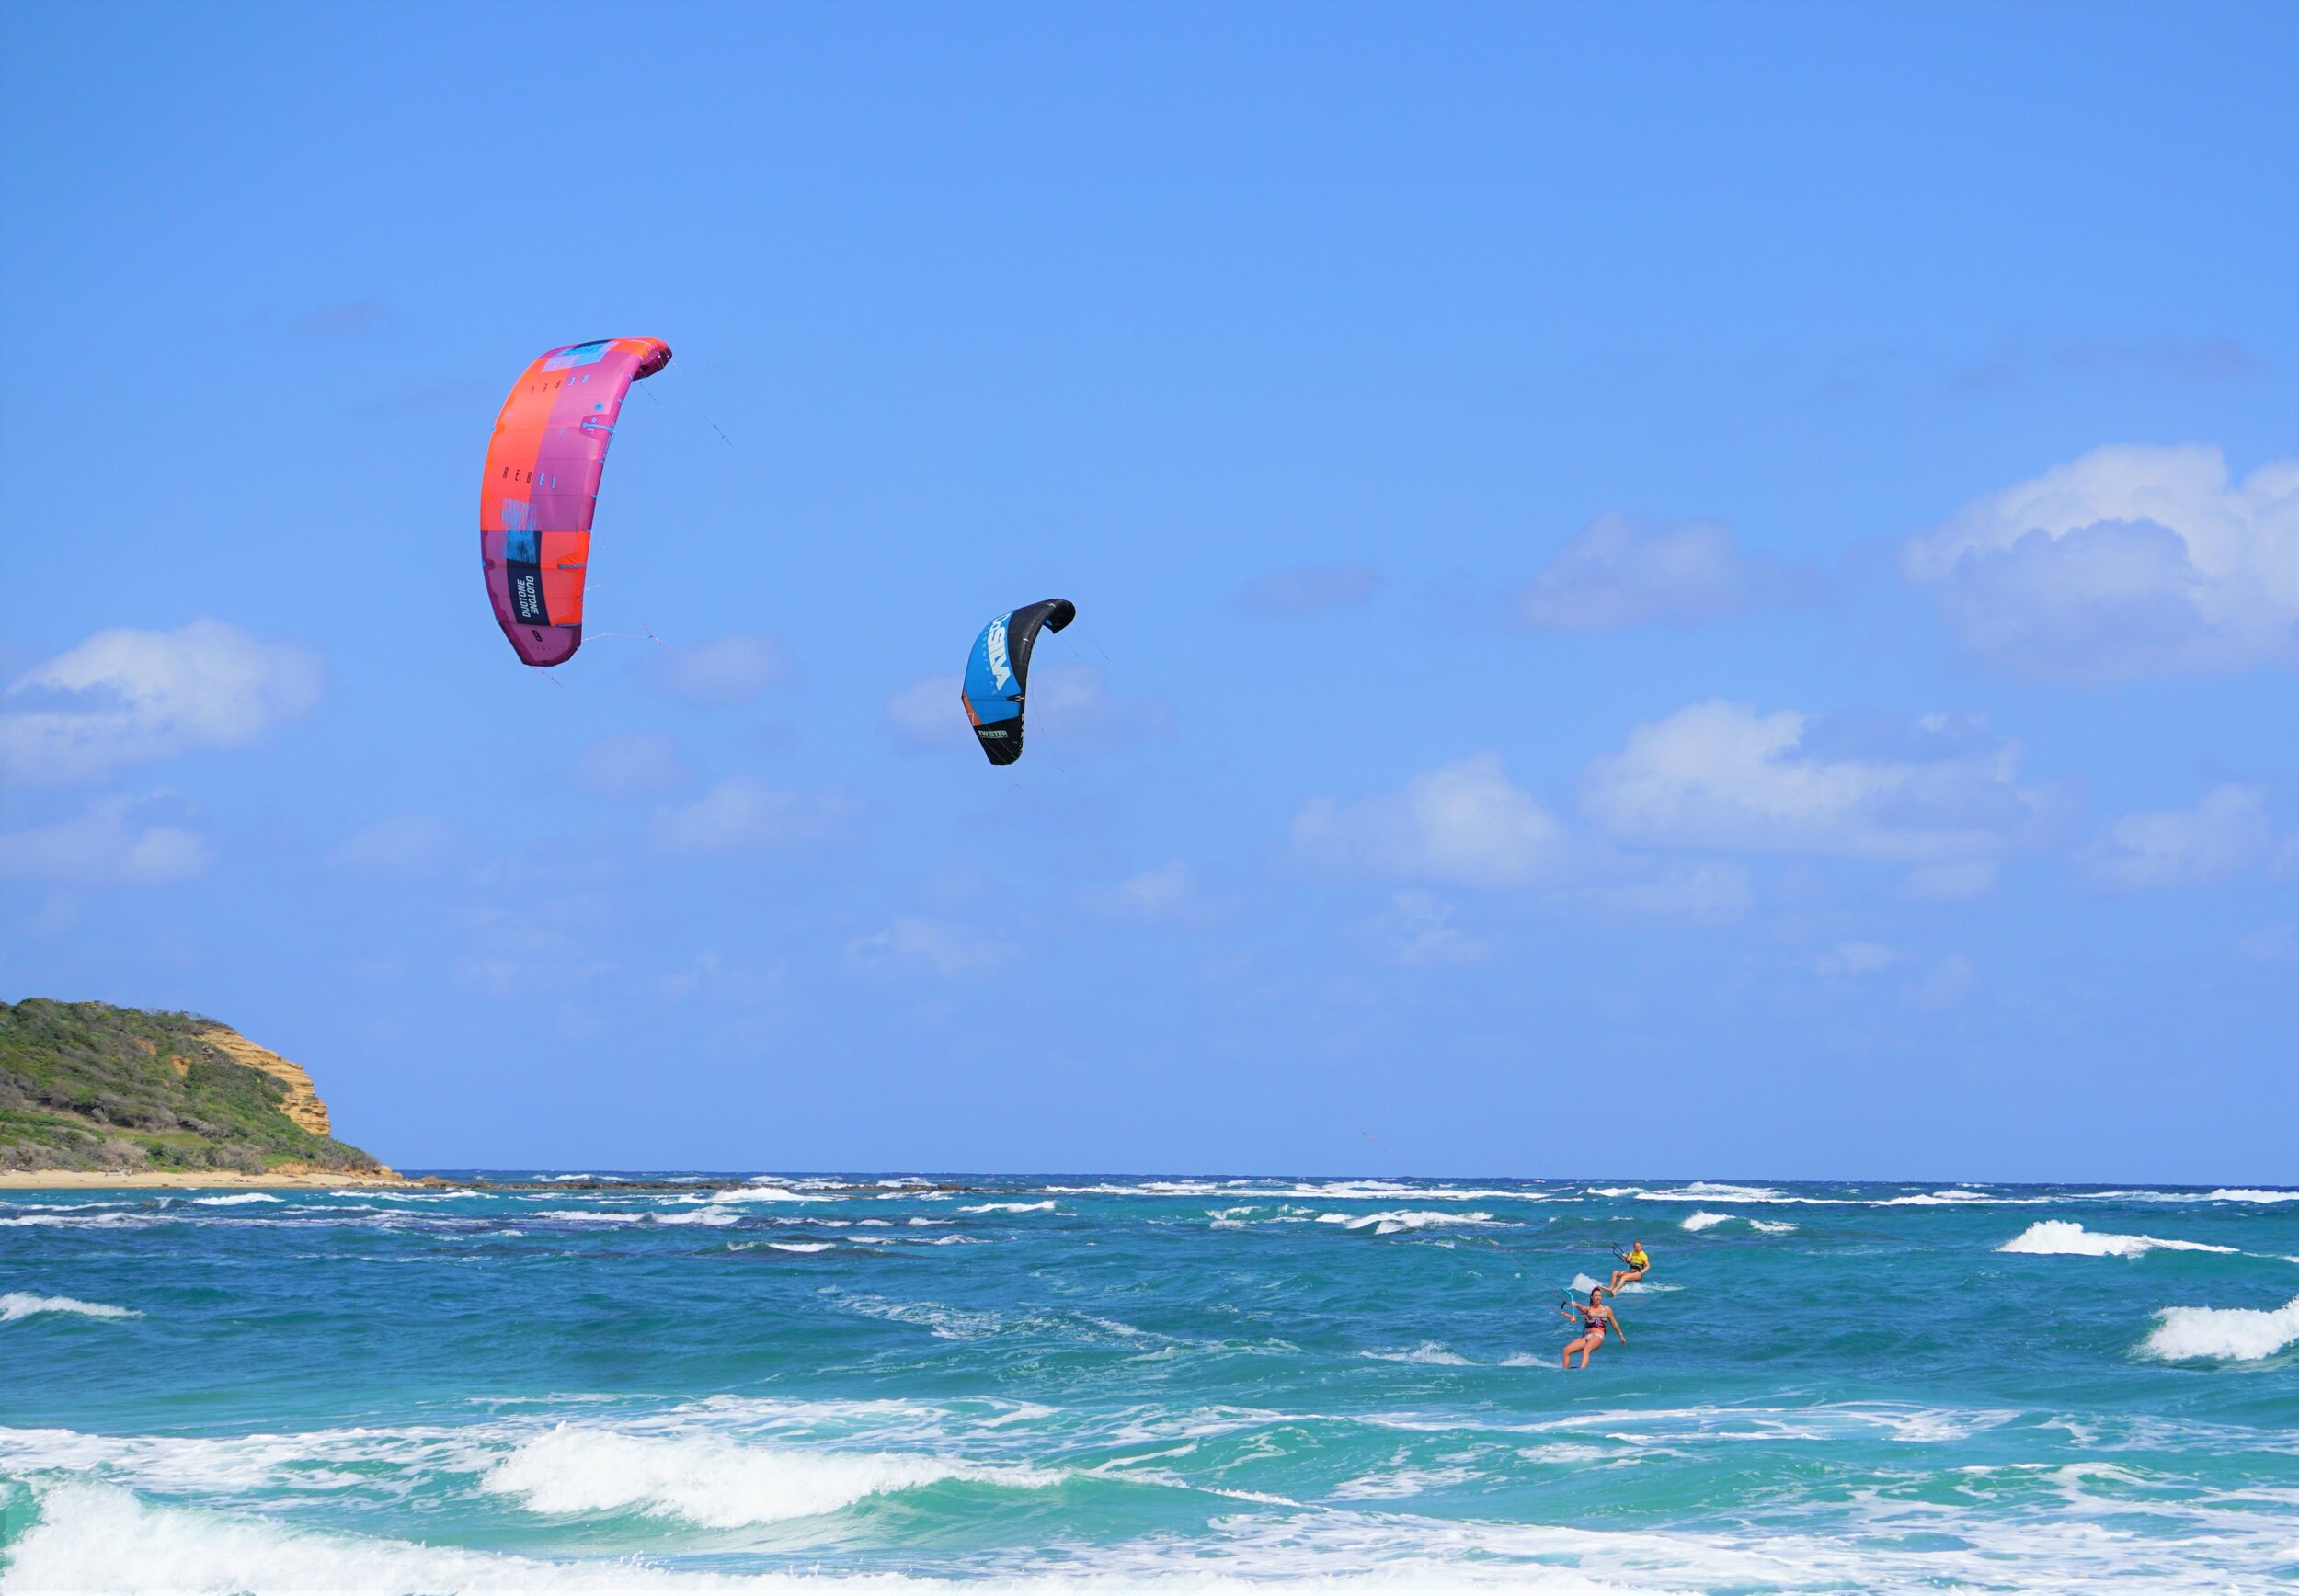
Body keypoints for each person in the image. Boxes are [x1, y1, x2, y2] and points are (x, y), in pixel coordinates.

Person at [1558, 1284, 1626, 1369]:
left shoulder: (1606, 1309)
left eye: (1600, 1296)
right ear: (1592, 1297)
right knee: (1566, 1350)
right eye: (1596, 1296)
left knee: (1586, 1350)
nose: (1598, 1298)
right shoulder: (1588, 1309)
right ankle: (1565, 1371)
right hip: (1586, 1336)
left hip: (1598, 1336)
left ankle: (1581, 1371)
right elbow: (1582, 1308)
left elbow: (1614, 1322)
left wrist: (1621, 1335)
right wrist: (1576, 1304)